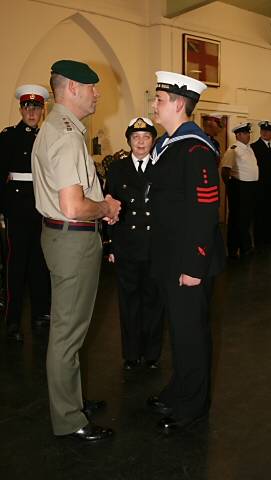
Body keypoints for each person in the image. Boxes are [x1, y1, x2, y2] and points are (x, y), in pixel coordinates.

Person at [31, 59, 121, 442]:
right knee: (67, 334)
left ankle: (71, 400)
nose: (97, 93)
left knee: (70, 328)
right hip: (73, 237)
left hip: (62, 237)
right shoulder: (66, 134)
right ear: (71, 89)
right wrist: (106, 208)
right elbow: (72, 205)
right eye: (92, 87)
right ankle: (69, 418)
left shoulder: (57, 128)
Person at [146, 71, 225, 433]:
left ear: (179, 104)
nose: (154, 105)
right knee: (178, 331)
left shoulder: (196, 148)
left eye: (159, 100)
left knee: (191, 333)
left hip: (188, 261)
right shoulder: (169, 144)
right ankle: (179, 389)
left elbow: (205, 210)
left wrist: (194, 264)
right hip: (169, 258)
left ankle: (193, 404)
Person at [106, 117, 164, 370]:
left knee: (154, 302)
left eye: (146, 137)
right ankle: (131, 354)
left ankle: (151, 354)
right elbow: (109, 207)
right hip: (126, 245)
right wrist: (109, 245)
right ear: (129, 141)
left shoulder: (163, 167)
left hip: (154, 246)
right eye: (136, 138)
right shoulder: (117, 169)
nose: (141, 142)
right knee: (128, 302)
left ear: (153, 140)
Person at [0, 85, 51, 342]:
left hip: (41, 208)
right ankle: (12, 319)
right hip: (17, 210)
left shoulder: (46, 137)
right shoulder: (8, 137)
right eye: (28, 107)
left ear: (43, 111)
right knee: (16, 266)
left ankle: (41, 314)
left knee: (40, 264)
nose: (32, 112)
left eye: (37, 108)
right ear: (21, 109)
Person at [221, 122, 258, 259]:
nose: (248, 135)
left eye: (248, 133)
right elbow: (225, 170)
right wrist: (232, 187)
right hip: (239, 187)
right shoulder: (233, 149)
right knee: (237, 219)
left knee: (246, 219)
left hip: (250, 188)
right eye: (245, 133)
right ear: (238, 135)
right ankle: (234, 249)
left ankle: (244, 247)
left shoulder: (249, 148)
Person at [251, 120, 271, 247]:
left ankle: (269, 238)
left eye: (268, 131)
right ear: (260, 131)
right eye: (263, 130)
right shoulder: (254, 147)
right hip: (260, 187)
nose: (265, 132)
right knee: (260, 215)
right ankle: (259, 241)